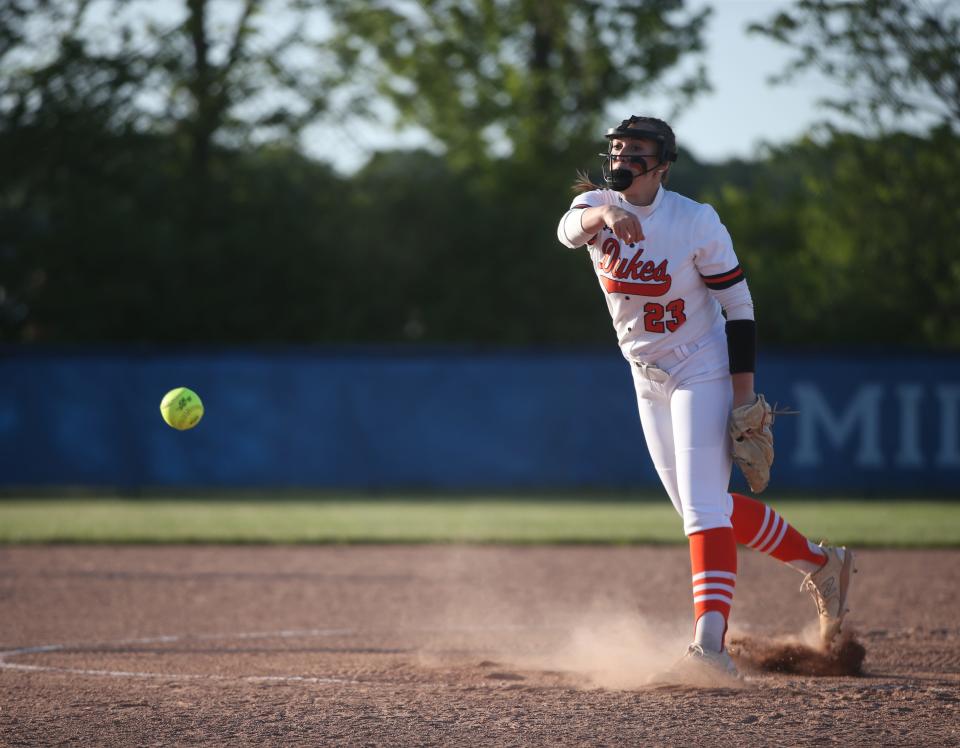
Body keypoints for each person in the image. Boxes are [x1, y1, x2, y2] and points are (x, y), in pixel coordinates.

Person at [555, 115, 855, 680]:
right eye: (617, 148)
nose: (622, 157)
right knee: (703, 509)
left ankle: (710, 650)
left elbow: (738, 308)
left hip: (702, 367)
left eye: (635, 150)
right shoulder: (596, 206)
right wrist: (606, 212)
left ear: (662, 164)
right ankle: (823, 563)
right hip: (646, 375)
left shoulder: (694, 221)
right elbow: (568, 230)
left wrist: (743, 399)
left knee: (701, 509)